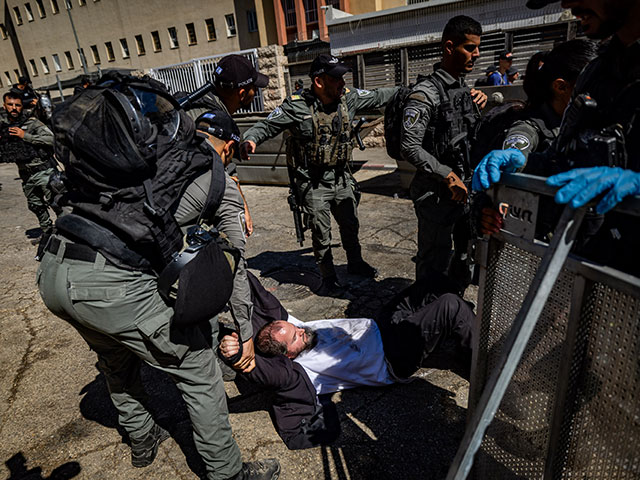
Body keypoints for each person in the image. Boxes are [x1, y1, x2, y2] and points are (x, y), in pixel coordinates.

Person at [37, 80, 280, 480]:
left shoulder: (138, 156)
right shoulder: (215, 178)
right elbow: (233, 266)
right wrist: (244, 329)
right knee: (199, 367)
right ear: (229, 147)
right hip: (109, 284)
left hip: (54, 270)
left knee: (115, 359)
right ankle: (228, 474)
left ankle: (142, 440)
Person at [473, 0, 640, 276]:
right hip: (586, 265)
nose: (569, 5)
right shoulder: (596, 72)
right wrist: (523, 163)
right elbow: (562, 160)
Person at [218, 272, 474, 448]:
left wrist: (227, 259)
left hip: (380, 324)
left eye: (294, 326)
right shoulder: (296, 372)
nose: (301, 330)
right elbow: (262, 371)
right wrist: (235, 352)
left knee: (434, 282)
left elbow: (255, 292)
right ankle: (487, 370)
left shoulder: (292, 326)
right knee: (450, 306)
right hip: (391, 356)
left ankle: (464, 326)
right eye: (296, 336)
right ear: (288, 354)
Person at [240, 54, 399, 294]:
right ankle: (328, 276)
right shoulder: (296, 105)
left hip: (341, 177)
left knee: (350, 224)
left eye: (342, 77)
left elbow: (379, 96)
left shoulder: (349, 98)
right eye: (335, 78)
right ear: (319, 81)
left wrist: (408, 91)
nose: (341, 82)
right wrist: (250, 139)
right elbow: (266, 125)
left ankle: (355, 263)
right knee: (320, 231)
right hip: (313, 183)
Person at [399, 15, 488, 290]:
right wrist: (446, 174)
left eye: (477, 48)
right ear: (449, 47)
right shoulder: (425, 94)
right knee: (433, 259)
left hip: (464, 191)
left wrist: (478, 104)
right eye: (470, 48)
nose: (477, 54)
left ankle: (452, 305)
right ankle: (425, 315)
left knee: (463, 253)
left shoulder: (461, 88)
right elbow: (409, 146)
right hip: (436, 195)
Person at [0, 91, 58, 241]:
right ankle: (47, 232)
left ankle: (67, 232)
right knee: (35, 205)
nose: (14, 108)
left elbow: (51, 139)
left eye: (17, 105)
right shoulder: (5, 127)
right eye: (10, 105)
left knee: (57, 203)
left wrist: (25, 135)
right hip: (26, 174)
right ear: (4, 106)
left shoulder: (32, 123)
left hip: (44, 170)